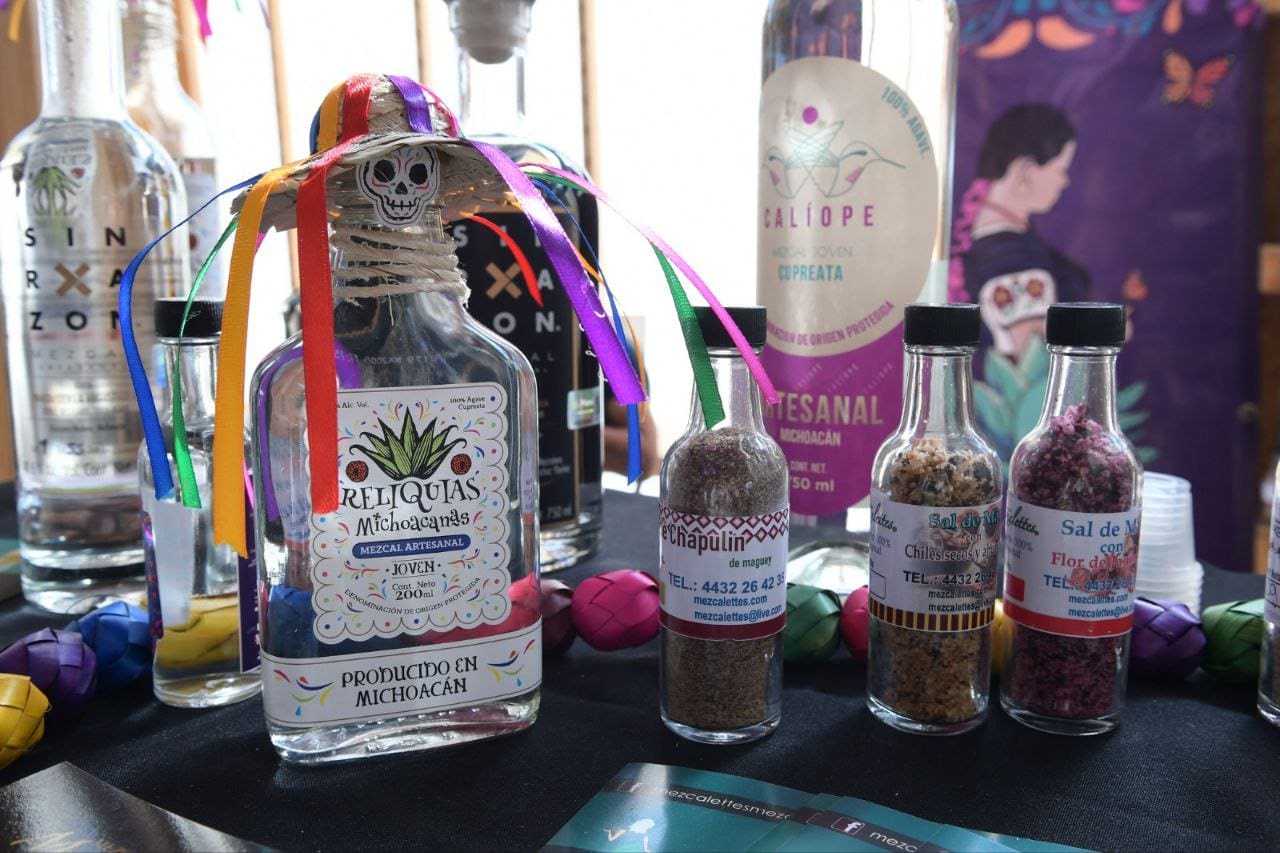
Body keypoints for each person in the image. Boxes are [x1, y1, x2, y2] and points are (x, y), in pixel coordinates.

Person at [950, 103, 1089, 363]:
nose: (1065, 181)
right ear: (1025, 170)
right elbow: (1033, 368)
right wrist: (1099, 335)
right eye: (1060, 169)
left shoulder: (989, 237)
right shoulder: (1013, 260)